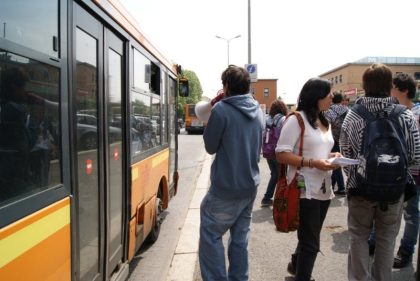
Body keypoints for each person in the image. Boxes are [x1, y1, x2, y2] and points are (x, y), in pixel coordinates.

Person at [340, 64, 420, 281]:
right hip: (394, 190)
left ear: (365, 85)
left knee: (358, 236)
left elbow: (346, 154)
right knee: (386, 240)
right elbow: (414, 155)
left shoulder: (353, 115)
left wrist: (359, 173)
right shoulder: (405, 115)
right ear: (389, 86)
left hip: (360, 189)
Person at [198, 65, 264, 281]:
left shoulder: (221, 110)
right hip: (250, 186)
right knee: (239, 239)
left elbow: (210, 146)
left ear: (226, 87)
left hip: (225, 189)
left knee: (211, 235)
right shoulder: (258, 111)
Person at [276, 77, 339, 281]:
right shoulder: (296, 119)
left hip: (324, 188)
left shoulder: (324, 120)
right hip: (304, 189)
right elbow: (281, 153)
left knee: (309, 236)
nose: (332, 97)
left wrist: (334, 157)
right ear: (316, 96)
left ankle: (296, 264)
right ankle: (302, 275)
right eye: (328, 93)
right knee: (311, 243)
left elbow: (320, 151)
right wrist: (313, 163)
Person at [390, 72, 420, 269]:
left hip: (415, 173)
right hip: (394, 171)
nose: (390, 90)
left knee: (411, 213)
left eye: (393, 87)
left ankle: (406, 250)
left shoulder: (417, 113)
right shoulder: (393, 111)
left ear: (404, 90)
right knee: (388, 210)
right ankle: (375, 242)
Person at [261, 99, 288, 207]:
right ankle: (279, 199)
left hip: (268, 151)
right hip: (278, 152)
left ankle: (267, 198)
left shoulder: (267, 119)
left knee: (275, 174)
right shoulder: (283, 119)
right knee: (282, 176)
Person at [324, 92, 348, 196]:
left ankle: (342, 188)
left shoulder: (329, 111)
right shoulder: (348, 110)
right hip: (345, 140)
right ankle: (333, 186)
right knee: (336, 163)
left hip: (333, 140)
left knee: (335, 164)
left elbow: (325, 127)